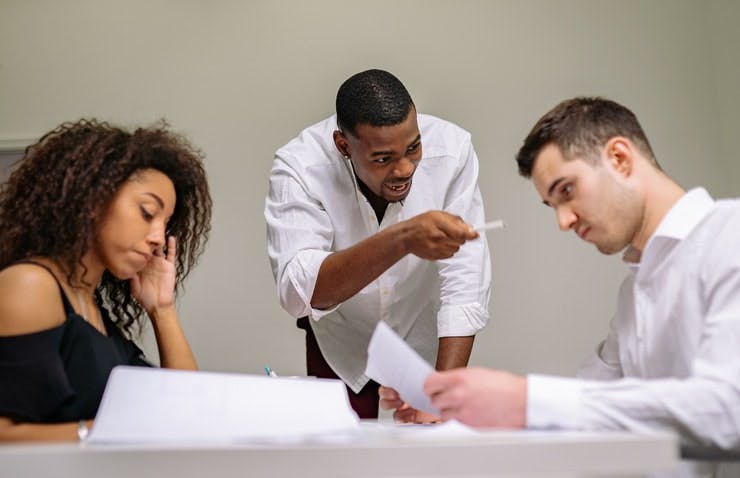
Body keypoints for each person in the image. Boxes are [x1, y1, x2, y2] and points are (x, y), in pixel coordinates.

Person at [413, 97, 740, 476]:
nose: (563, 221)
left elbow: (729, 410)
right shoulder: (634, 295)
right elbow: (593, 404)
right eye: (551, 205)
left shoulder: (731, 235)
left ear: (619, 158)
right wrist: (461, 403)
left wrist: (524, 401)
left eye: (566, 191)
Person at [265, 69, 491, 420]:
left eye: (413, 148)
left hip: (421, 326)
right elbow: (298, 293)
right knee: (342, 460)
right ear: (343, 145)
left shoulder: (452, 151)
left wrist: (442, 396)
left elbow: (465, 280)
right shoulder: (300, 167)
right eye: (383, 158)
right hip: (341, 339)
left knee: (427, 458)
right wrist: (402, 239)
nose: (404, 169)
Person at [0, 119, 212, 441]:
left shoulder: (93, 309)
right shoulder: (31, 285)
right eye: (146, 212)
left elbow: (186, 406)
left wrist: (162, 309)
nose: (158, 237)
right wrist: (107, 434)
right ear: (93, 199)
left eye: (165, 224)